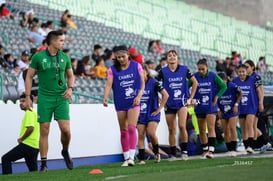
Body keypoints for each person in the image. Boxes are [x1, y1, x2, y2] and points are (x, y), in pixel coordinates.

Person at [25, 30, 75, 172]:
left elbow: (71, 76)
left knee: (65, 130)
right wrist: (28, 96)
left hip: (62, 97)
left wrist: (70, 88)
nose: (63, 43)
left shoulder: (65, 57)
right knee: (44, 129)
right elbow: (29, 77)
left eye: (63, 41)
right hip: (45, 98)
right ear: (52, 41)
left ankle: (65, 151)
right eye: (61, 41)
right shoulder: (38, 57)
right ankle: (44, 164)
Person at [103, 45, 145, 167]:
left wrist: (139, 96)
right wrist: (105, 97)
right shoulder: (112, 69)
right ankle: (126, 158)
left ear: (128, 55)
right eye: (119, 57)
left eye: (123, 56)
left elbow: (143, 82)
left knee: (132, 128)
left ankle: (132, 157)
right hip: (120, 102)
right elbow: (109, 84)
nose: (121, 59)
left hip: (134, 101)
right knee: (123, 131)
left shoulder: (137, 66)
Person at [156, 50, 198, 160]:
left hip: (182, 102)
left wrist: (191, 97)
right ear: (167, 59)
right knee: (171, 129)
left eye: (174, 55)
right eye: (169, 55)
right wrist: (161, 99)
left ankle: (184, 152)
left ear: (177, 58)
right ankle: (173, 154)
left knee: (182, 126)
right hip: (169, 103)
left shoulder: (184, 69)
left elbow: (195, 82)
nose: (172, 57)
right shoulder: (162, 71)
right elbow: (156, 86)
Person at [192, 58, 227, 159]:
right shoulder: (194, 77)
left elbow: (223, 86)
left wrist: (217, 96)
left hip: (211, 106)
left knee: (211, 127)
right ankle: (205, 150)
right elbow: (186, 86)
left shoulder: (213, 76)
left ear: (207, 67)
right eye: (199, 69)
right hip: (199, 106)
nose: (201, 71)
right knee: (202, 130)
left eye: (202, 69)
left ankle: (211, 151)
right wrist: (191, 98)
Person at [137, 64, 169, 164]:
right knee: (141, 134)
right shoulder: (136, 84)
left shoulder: (154, 82)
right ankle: (142, 159)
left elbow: (166, 95)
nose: (141, 75)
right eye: (139, 73)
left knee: (151, 133)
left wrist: (159, 108)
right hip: (141, 114)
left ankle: (156, 153)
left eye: (143, 73)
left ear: (147, 73)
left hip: (152, 113)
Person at [1, 93, 39, 175]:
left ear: (30, 102)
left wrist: (21, 138)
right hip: (35, 146)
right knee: (33, 172)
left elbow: (31, 128)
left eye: (23, 101)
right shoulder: (34, 113)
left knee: (5, 159)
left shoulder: (29, 112)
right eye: (20, 101)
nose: (21, 103)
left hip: (27, 145)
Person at [233, 64, 261, 154]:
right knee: (243, 127)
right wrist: (235, 105)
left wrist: (260, 103)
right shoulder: (235, 81)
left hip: (251, 105)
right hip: (241, 106)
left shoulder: (253, 80)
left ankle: (251, 146)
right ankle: (246, 147)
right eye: (240, 72)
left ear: (246, 72)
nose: (241, 73)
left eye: (243, 72)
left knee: (250, 125)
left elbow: (259, 91)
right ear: (237, 72)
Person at [217, 72, 242, 157]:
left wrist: (236, 105)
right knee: (225, 130)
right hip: (223, 110)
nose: (221, 83)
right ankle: (229, 149)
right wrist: (218, 109)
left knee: (232, 127)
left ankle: (234, 149)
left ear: (226, 80)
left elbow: (240, 93)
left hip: (232, 110)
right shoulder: (216, 87)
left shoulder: (232, 86)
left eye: (222, 81)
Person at [244, 60, 265, 152]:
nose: (245, 69)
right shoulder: (246, 77)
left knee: (252, 125)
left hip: (254, 104)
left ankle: (256, 144)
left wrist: (261, 103)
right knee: (252, 126)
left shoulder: (256, 77)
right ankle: (262, 143)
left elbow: (260, 91)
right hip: (247, 105)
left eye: (247, 67)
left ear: (252, 67)